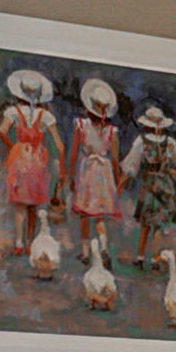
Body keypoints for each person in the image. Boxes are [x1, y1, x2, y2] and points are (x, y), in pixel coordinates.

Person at [120, 102, 176, 270]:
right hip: (164, 185)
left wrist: (122, 182)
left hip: (148, 184)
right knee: (158, 224)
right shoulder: (170, 142)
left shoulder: (141, 141)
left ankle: (140, 258)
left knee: (146, 223)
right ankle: (155, 259)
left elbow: (131, 164)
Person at [0, 69, 62, 256]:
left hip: (20, 158)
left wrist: (14, 147)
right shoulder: (46, 116)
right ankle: (31, 242)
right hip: (38, 160)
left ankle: (18, 242)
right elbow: (59, 144)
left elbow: (2, 131)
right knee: (34, 204)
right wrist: (61, 167)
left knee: (20, 204)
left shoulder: (13, 112)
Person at [66, 77, 125, 259]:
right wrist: (117, 181)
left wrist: (70, 176)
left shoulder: (81, 126)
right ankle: (104, 248)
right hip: (104, 172)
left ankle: (85, 253)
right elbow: (115, 160)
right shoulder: (112, 131)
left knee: (85, 213)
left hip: (87, 170)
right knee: (99, 215)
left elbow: (74, 153)